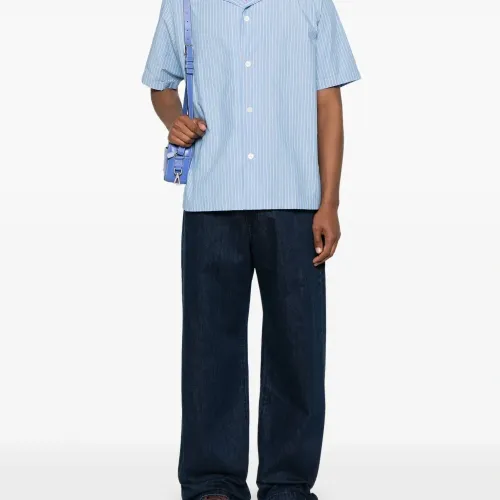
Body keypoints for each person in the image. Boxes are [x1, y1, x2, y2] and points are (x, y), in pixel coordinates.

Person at [142, 0, 360, 497]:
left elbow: (328, 102)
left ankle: (287, 484)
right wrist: (174, 118)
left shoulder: (311, 5)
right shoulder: (185, 3)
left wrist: (329, 202)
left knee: (297, 349)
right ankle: (213, 482)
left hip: (294, 201)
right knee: (208, 349)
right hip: (212, 201)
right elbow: (160, 84)